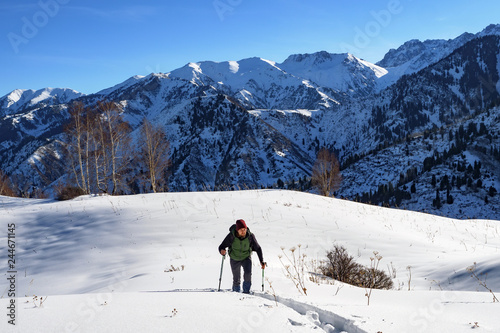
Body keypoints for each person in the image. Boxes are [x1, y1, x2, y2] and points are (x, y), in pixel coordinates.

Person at [218, 219, 265, 293]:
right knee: (236, 279)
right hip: (234, 258)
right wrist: (222, 250)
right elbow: (221, 246)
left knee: (248, 275)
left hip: (246, 257)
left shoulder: (250, 236)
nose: (243, 231)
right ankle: (236, 294)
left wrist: (261, 261)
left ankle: (246, 292)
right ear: (237, 230)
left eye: (244, 229)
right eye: (241, 230)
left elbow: (258, 248)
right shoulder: (231, 236)